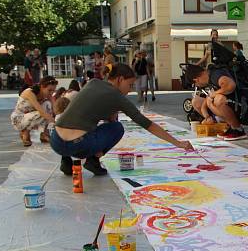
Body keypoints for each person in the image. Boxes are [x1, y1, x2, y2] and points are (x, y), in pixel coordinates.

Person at [52, 63, 193, 176]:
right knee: (117, 128)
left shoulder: (93, 83)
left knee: (82, 125)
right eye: (130, 85)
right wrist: (177, 143)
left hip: (56, 141)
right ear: (120, 79)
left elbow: (87, 110)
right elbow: (147, 124)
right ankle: (93, 161)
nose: (129, 90)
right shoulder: (117, 96)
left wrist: (111, 114)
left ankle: (66, 161)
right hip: (77, 146)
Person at [183, 63, 248, 141]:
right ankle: (224, 126)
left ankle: (237, 129)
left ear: (196, 80)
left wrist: (214, 95)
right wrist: (207, 116)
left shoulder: (216, 74)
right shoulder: (210, 76)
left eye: (195, 84)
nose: (197, 86)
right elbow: (208, 99)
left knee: (219, 99)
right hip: (239, 106)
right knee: (196, 101)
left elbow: (230, 85)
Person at [11, 75, 58, 147]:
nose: (51, 93)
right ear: (42, 86)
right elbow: (41, 111)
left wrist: (60, 117)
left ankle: (44, 134)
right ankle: (25, 132)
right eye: (49, 90)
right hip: (19, 119)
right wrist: (55, 122)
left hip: (32, 116)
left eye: (53, 90)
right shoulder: (29, 92)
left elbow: (56, 109)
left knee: (47, 104)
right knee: (42, 113)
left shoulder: (48, 95)